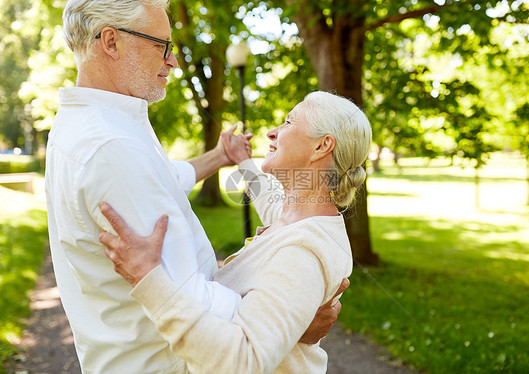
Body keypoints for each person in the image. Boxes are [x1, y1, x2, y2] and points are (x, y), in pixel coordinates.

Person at [46, 1, 342, 373]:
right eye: (162, 46)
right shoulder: (111, 147)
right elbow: (187, 296)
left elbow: (162, 179)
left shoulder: (96, 123)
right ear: (111, 42)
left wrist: (220, 157)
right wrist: (291, 318)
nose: (173, 62)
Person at [99, 91, 372, 373]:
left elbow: (243, 362)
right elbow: (267, 198)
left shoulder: (302, 250)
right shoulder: (293, 216)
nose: (271, 133)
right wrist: (241, 159)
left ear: (322, 146)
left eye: (289, 123)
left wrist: (148, 279)